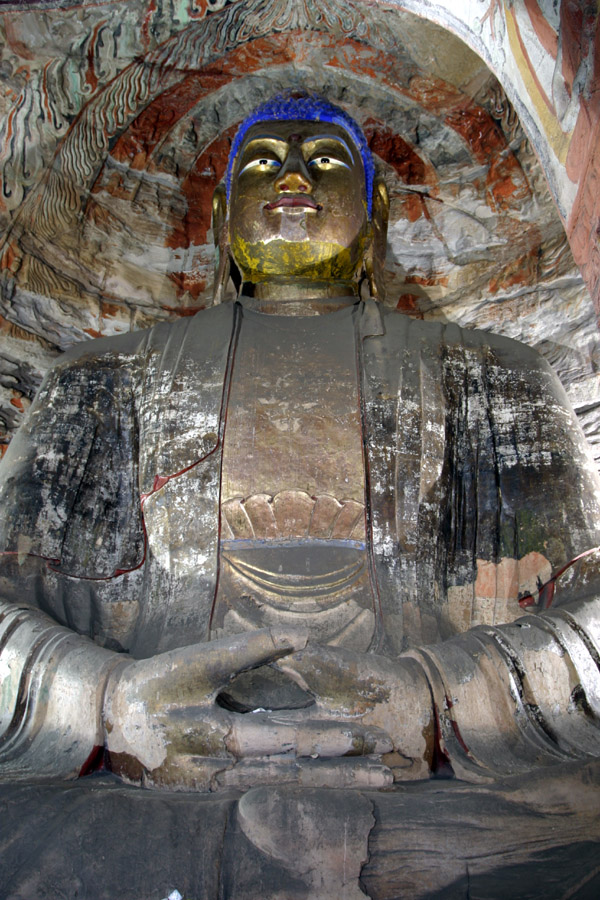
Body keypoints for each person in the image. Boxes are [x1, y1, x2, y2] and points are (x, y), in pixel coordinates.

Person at [1, 94, 599, 897]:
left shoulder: (499, 377)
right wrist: (107, 708)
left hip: (438, 802)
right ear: (221, 215)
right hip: (139, 804)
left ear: (375, 208)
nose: (291, 175)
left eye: (324, 160)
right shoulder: (99, 379)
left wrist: (445, 697)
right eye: (260, 162)